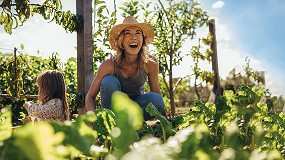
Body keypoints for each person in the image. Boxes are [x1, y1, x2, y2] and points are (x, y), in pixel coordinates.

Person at [85, 16, 166, 120]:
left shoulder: (150, 63)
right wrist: (93, 119)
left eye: (138, 33)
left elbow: (156, 93)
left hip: (136, 109)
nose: (134, 37)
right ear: (121, 40)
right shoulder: (109, 65)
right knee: (109, 81)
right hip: (113, 111)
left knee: (157, 100)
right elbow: (90, 97)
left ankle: (131, 125)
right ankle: (113, 125)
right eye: (128, 33)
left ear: (143, 39)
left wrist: (167, 124)